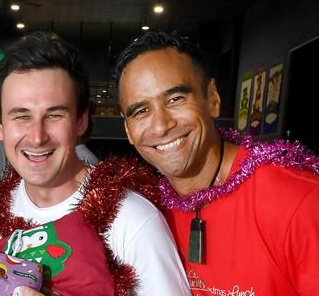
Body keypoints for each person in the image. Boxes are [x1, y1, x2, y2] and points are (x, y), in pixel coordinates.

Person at [0, 31, 189, 295]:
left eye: (54, 115)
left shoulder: (133, 220)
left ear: (81, 121)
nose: (37, 136)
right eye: (21, 117)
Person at [115, 31, 319, 295]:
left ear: (212, 98)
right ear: (128, 130)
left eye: (175, 99)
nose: (161, 125)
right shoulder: (145, 214)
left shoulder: (299, 201)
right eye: (141, 111)